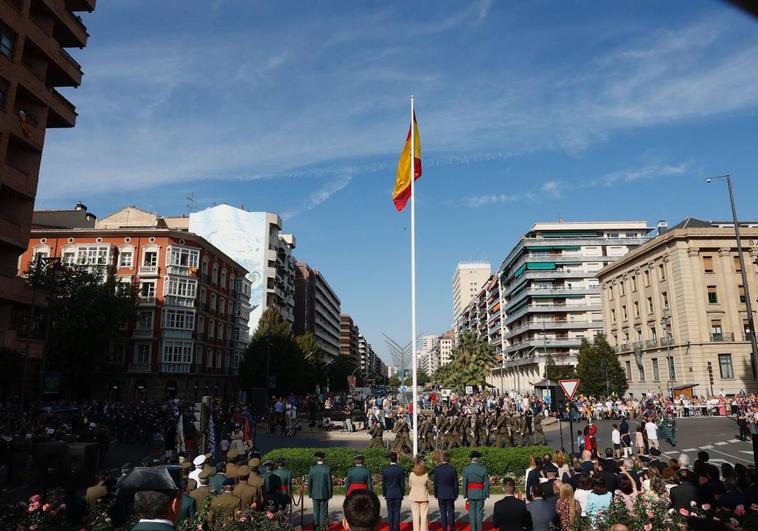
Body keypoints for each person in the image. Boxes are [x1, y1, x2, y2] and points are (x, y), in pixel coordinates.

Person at [462, 450, 489, 531]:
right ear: (478, 458)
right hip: (480, 492)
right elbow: (486, 483)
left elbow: (464, 483)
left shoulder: (466, 469)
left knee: (471, 513)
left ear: (471, 458)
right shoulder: (483, 469)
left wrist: (465, 494)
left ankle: (473, 529)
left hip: (470, 493)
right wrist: (486, 494)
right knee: (479, 513)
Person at [433, 452, 458, 531]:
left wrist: (436, 494)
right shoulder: (452, 469)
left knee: (443, 513)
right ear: (449, 459)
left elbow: (435, 483)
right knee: (450, 512)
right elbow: (455, 483)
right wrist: (456, 494)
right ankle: (452, 528)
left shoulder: (437, 469)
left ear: (442, 459)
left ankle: (444, 528)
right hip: (450, 493)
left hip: (441, 493)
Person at [308, 451, 333, 530]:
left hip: (314, 493)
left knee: (316, 512)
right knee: (323, 512)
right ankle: (322, 528)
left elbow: (309, 482)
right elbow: (329, 483)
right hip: (324, 493)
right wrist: (330, 493)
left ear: (316, 459)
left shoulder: (312, 468)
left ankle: (316, 527)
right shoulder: (327, 468)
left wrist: (310, 493)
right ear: (323, 459)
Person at [382, 452, 405, 531]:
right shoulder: (400, 469)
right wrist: (402, 493)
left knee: (390, 512)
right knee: (397, 512)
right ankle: (397, 528)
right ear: (397, 459)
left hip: (389, 493)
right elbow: (402, 483)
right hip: (398, 493)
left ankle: (391, 528)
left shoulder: (386, 469)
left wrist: (384, 493)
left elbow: (384, 484)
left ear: (389, 459)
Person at [409, 458, 429, 531]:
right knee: (424, 516)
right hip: (423, 496)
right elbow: (427, 485)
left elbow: (410, 485)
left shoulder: (411, 474)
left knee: (415, 516)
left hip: (414, 496)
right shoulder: (426, 475)